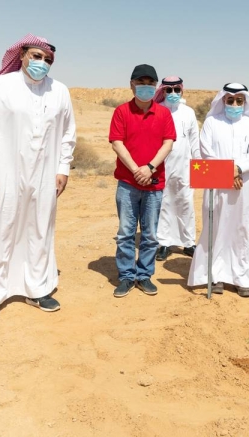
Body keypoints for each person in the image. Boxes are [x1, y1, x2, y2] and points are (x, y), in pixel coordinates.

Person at [0, 34, 76, 322]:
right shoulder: (0, 86)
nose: (42, 63)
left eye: (48, 60)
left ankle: (38, 288)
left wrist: (63, 168)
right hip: (5, 173)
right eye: (37, 56)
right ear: (22, 55)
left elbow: (68, 134)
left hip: (45, 176)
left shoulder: (60, 91)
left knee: (39, 230)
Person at [187, 83, 249, 297]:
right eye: (230, 100)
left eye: (239, 100)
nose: (234, 104)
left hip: (245, 186)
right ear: (223, 100)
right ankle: (216, 276)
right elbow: (206, 151)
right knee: (217, 227)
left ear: (245, 102)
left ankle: (243, 279)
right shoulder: (212, 122)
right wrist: (228, 172)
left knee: (244, 228)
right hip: (217, 185)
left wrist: (237, 169)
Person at [109, 64, 176, 298]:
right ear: (132, 85)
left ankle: (144, 275)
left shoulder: (164, 113)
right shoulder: (121, 112)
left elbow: (168, 142)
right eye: (141, 83)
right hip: (128, 183)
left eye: (150, 83)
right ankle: (127, 276)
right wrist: (136, 170)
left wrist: (149, 168)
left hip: (154, 183)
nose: (145, 87)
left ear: (155, 86)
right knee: (126, 232)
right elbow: (117, 142)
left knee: (150, 234)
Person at [153, 76, 201, 261]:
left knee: (186, 203)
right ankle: (164, 243)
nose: (173, 94)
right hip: (163, 166)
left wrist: (200, 163)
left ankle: (189, 242)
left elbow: (194, 140)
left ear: (181, 90)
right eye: (169, 90)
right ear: (163, 91)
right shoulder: (157, 110)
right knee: (164, 204)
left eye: (177, 90)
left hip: (186, 166)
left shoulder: (188, 112)